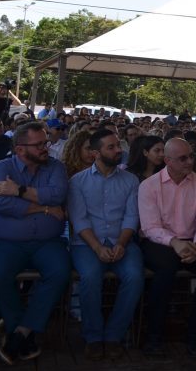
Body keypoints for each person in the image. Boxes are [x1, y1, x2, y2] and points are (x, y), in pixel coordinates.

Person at [0, 121, 71, 365]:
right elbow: (1, 203)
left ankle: (20, 332)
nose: (46, 147)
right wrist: (45, 208)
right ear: (20, 149)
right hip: (9, 243)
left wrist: (19, 190)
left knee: (60, 272)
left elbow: (58, 194)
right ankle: (22, 330)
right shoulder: (2, 168)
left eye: (46, 142)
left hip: (48, 242)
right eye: (39, 144)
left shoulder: (55, 166)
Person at [137, 138, 196, 357]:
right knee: (166, 267)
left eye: (191, 156)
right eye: (183, 158)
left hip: (192, 240)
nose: (190, 162)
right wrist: (175, 242)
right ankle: (154, 335)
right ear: (167, 161)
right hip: (159, 241)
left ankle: (195, 334)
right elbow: (150, 227)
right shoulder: (149, 186)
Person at [67, 129, 144, 361]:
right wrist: (97, 247)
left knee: (135, 276)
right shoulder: (77, 181)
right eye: (111, 147)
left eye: (118, 145)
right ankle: (93, 337)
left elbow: (132, 216)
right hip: (87, 244)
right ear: (95, 153)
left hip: (122, 240)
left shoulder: (130, 180)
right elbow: (79, 219)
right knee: (90, 277)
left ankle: (113, 335)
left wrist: (121, 243)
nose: (118, 150)